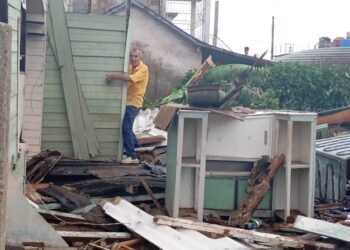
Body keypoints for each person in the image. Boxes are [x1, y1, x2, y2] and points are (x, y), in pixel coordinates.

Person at [106, 48, 149, 164]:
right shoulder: (130, 68)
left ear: (140, 58)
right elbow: (125, 77)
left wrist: (114, 76)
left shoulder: (143, 69)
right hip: (127, 101)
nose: (133, 58)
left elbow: (130, 78)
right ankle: (138, 150)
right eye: (132, 56)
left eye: (136, 56)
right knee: (128, 128)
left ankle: (132, 156)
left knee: (126, 127)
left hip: (134, 102)